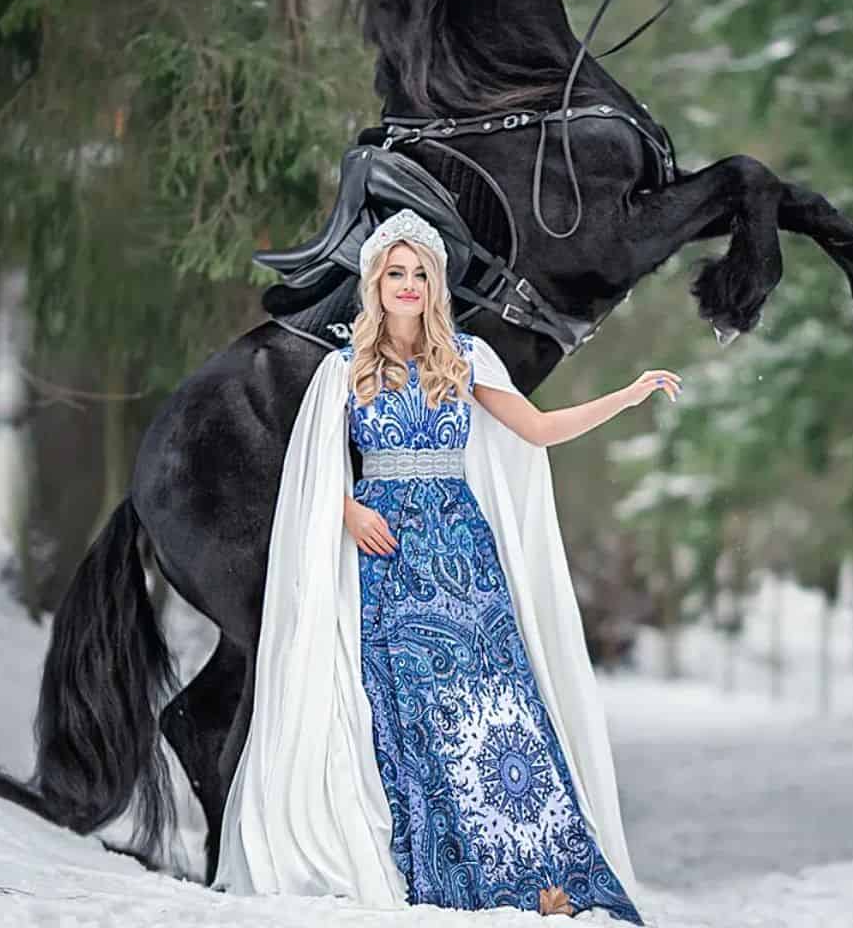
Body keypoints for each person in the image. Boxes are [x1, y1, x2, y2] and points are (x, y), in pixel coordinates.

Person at [215, 208, 681, 923]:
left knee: (497, 707)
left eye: (419, 274)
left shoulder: (464, 359)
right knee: (415, 710)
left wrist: (628, 394)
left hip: (462, 552)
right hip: (387, 555)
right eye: (395, 273)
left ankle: (537, 873)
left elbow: (537, 429)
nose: (407, 285)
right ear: (376, 283)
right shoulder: (346, 368)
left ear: (437, 284)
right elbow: (309, 466)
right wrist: (347, 510)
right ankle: (441, 866)